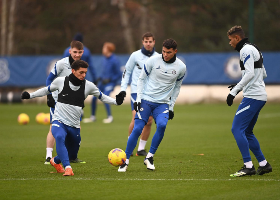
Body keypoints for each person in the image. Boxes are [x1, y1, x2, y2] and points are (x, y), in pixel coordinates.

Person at [21, 60, 124, 176]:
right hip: (58, 120)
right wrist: (30, 95)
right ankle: (68, 168)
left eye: (85, 72)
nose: (83, 75)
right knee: (59, 136)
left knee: (72, 154)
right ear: (73, 71)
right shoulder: (60, 81)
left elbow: (102, 96)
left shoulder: (88, 86)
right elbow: (46, 90)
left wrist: (116, 102)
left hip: (74, 125)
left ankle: (55, 161)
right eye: (81, 72)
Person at [118, 38, 186, 172]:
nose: (165, 55)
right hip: (146, 100)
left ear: (175, 52)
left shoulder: (181, 67)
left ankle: (149, 157)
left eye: (169, 52)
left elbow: (177, 87)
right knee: (137, 128)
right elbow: (141, 79)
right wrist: (138, 99)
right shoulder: (152, 61)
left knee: (161, 125)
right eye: (163, 51)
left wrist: (171, 106)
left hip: (163, 104)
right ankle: (125, 160)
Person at [226, 25, 272, 177]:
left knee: (236, 129)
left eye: (230, 40)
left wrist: (234, 91)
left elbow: (250, 73)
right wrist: (244, 83)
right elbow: (263, 73)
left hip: (253, 97)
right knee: (247, 131)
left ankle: (248, 166)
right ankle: (264, 164)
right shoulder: (254, 48)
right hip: (259, 95)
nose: (230, 43)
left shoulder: (245, 50)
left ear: (237, 38)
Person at [116, 32, 158, 156]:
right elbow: (127, 72)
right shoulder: (135, 56)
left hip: (150, 93)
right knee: (136, 117)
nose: (148, 43)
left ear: (154, 42)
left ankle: (140, 149)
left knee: (149, 121)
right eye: (146, 41)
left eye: (150, 41)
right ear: (142, 42)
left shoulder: (158, 57)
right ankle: (130, 146)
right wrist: (123, 89)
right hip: (136, 92)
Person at [44, 40, 86, 165]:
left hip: (73, 104)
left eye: (79, 52)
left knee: (75, 127)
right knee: (54, 127)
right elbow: (49, 79)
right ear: (70, 51)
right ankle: (48, 156)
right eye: (74, 52)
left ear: (82, 52)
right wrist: (50, 96)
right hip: (58, 102)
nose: (77, 55)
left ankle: (72, 156)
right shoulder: (61, 64)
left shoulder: (82, 66)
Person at [83, 42, 122, 124]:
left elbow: (119, 74)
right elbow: (105, 72)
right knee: (94, 98)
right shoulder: (104, 59)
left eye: (104, 48)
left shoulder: (114, 60)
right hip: (102, 83)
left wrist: (110, 79)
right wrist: (100, 78)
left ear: (108, 49)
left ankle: (109, 117)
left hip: (110, 83)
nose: (103, 49)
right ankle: (92, 117)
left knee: (105, 97)